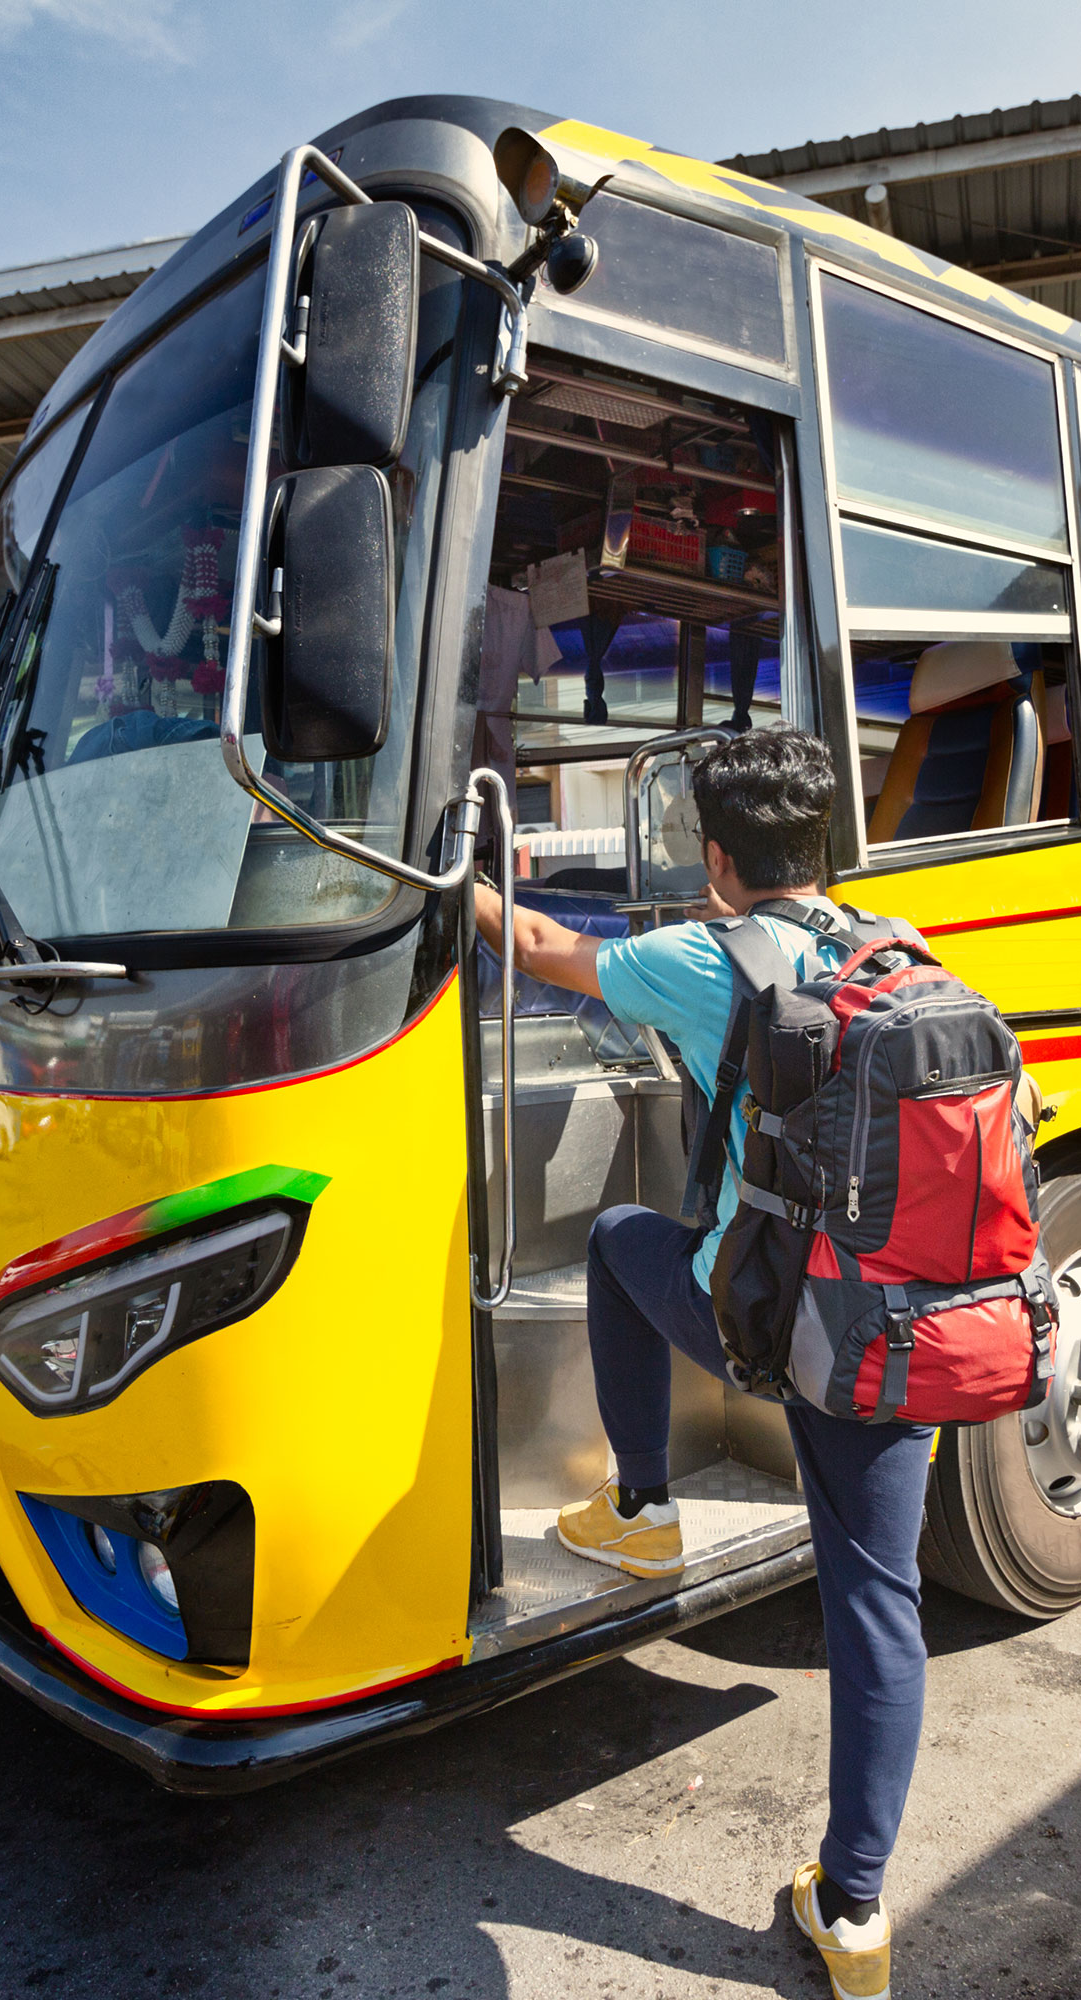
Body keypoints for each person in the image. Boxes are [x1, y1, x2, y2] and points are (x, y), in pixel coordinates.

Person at [474, 728, 927, 2000]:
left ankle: (643, 1508)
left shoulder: (697, 952)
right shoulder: (890, 947)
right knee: (876, 1600)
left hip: (772, 1319)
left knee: (624, 1240)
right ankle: (854, 1912)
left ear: (716, 857)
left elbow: (548, 951)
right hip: (906, 1320)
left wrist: (464, 877)